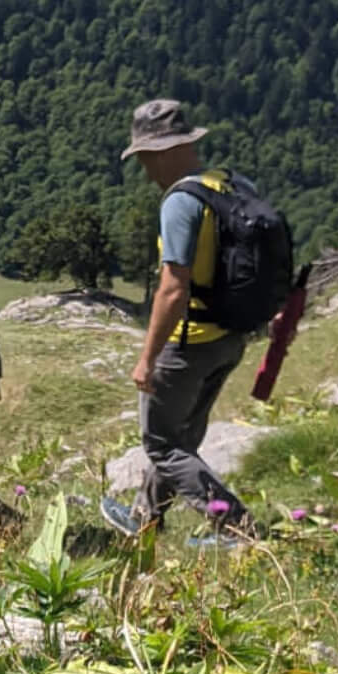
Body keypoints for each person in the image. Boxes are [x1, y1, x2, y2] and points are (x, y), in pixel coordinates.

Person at [100, 98, 252, 541]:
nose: (146, 170)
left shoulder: (181, 202)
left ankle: (235, 525)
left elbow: (173, 286)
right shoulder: (231, 185)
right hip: (231, 335)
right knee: (180, 438)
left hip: (192, 342)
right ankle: (147, 517)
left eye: (146, 158)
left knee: (162, 445)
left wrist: (147, 357)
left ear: (165, 151)